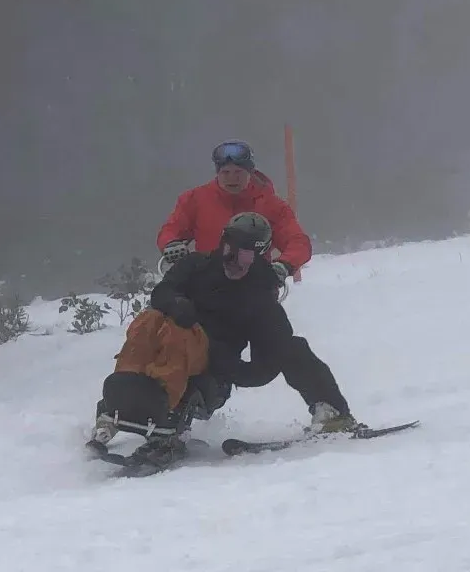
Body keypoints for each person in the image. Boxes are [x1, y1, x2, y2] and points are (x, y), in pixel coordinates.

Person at [89, 212, 359, 469]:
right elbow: (162, 293)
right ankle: (119, 399)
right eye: (230, 250)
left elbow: (264, 364)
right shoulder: (196, 267)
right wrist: (177, 304)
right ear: (222, 244)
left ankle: (332, 412)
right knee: (150, 321)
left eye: (245, 256)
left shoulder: (259, 297)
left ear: (259, 256)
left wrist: (223, 360)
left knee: (290, 347)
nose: (234, 261)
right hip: (170, 354)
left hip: (212, 376)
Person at [157, 140, 311, 288]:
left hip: (255, 288)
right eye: (226, 172)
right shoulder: (194, 200)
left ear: (250, 172)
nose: (232, 178)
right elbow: (172, 229)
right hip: (205, 286)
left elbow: (298, 241)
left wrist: (284, 265)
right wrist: (171, 244)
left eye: (238, 172)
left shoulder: (271, 205)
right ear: (218, 173)